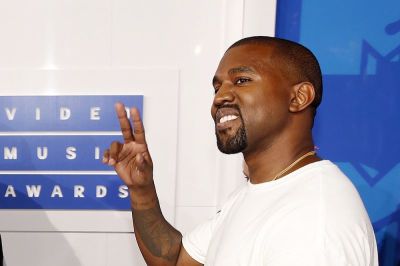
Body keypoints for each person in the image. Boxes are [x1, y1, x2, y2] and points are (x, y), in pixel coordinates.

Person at [103, 36, 378, 265]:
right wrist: (142, 191)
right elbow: (176, 261)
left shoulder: (315, 220)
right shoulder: (260, 190)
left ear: (298, 97)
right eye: (217, 85)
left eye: (242, 80)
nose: (219, 96)